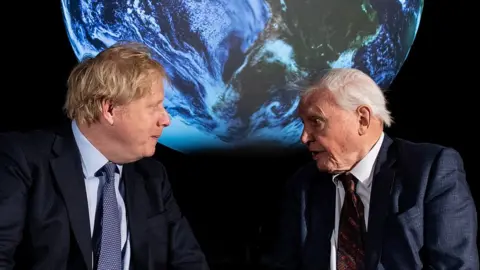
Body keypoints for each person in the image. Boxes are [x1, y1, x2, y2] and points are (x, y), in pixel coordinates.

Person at [0, 42, 209, 270]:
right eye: (153, 107)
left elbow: (189, 262)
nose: (166, 120)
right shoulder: (22, 159)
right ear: (109, 109)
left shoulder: (153, 177)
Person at [260, 68, 478, 269]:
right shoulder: (303, 185)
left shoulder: (429, 170)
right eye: (303, 124)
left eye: (316, 121)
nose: (304, 137)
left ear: (362, 119)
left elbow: (455, 266)